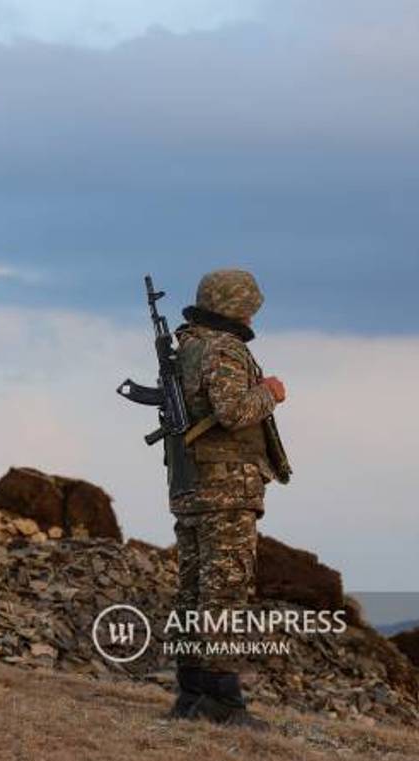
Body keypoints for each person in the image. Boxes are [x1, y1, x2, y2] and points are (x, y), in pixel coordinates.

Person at [168, 268, 289, 727]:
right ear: (237, 307)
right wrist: (269, 392)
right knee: (225, 592)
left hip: (192, 485)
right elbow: (234, 411)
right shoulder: (224, 348)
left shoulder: (190, 346)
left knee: (194, 590)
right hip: (226, 488)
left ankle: (192, 693)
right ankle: (221, 699)